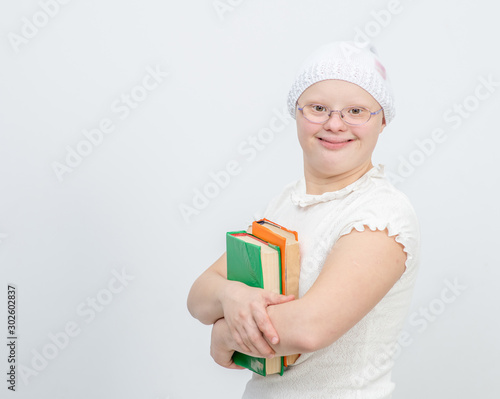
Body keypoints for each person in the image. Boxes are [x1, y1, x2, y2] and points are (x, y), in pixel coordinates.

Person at [187, 41, 420, 399]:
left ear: (382, 120)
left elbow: (311, 328)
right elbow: (199, 296)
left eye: (356, 111)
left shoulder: (380, 213)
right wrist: (231, 294)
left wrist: (223, 334)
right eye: (318, 108)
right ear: (296, 113)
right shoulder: (286, 202)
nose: (335, 124)